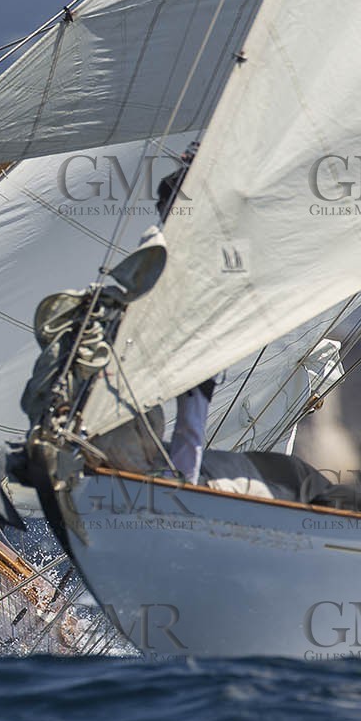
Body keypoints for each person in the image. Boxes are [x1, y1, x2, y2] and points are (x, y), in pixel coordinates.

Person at [156, 142, 214, 484]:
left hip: (201, 337)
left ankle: (183, 481)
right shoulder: (172, 189)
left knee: (192, 417)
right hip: (172, 324)